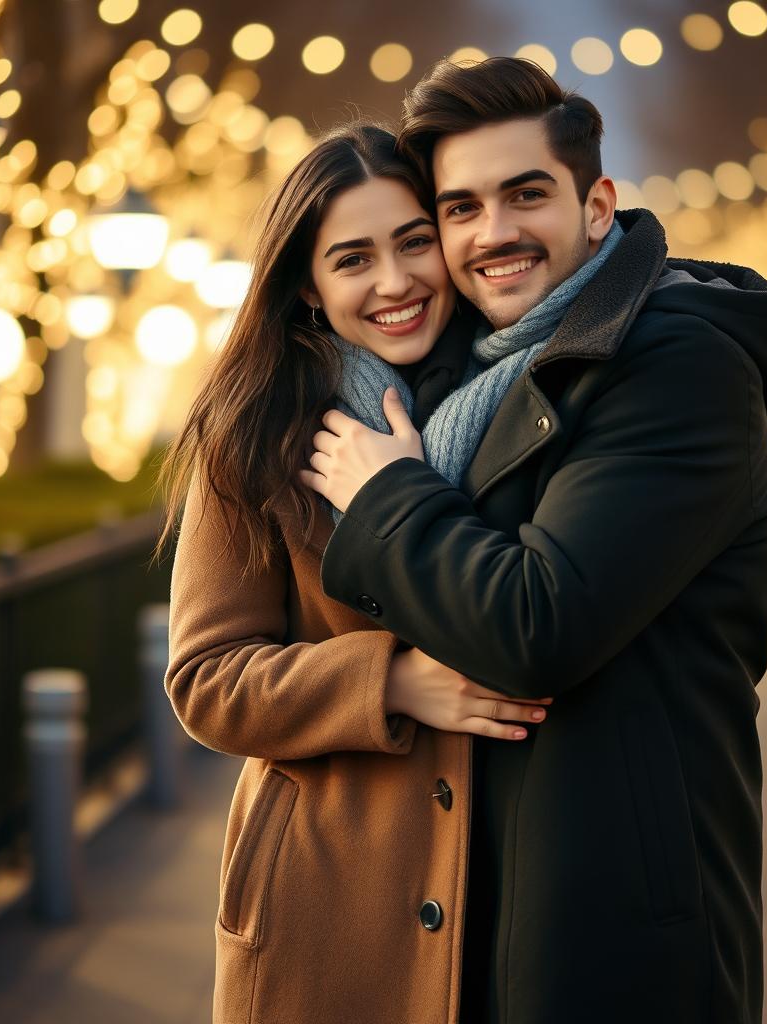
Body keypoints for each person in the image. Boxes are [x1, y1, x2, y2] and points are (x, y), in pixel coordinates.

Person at [303, 58, 767, 1023]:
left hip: (620, 927)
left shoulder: (678, 367)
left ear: (597, 206)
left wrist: (389, 499)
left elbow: (540, 622)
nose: (490, 232)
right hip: (490, 902)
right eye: (458, 209)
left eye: (524, 195)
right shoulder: (485, 376)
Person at [159, 123, 553, 1024]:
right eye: (353, 258)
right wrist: (393, 681)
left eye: (415, 241)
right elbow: (206, 681)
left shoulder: (523, 396)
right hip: (325, 896)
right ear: (307, 282)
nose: (395, 282)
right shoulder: (253, 429)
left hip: (503, 880)